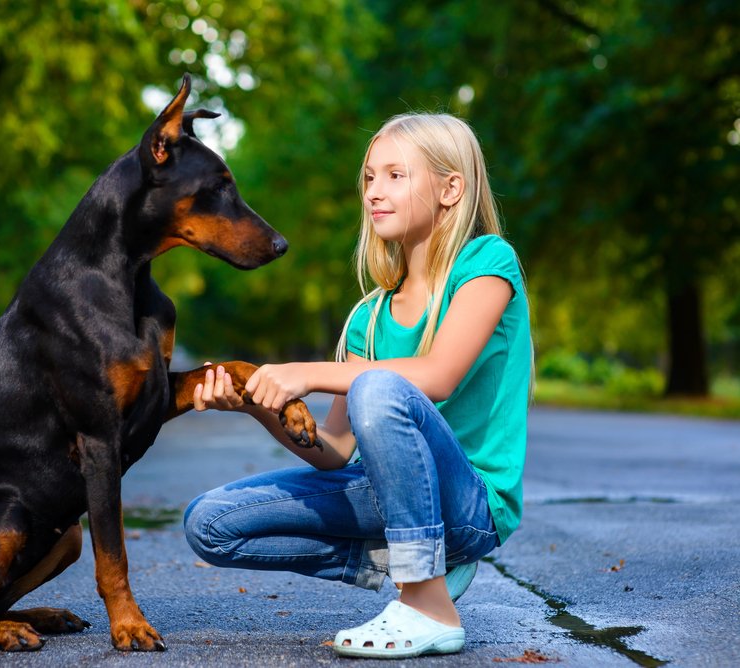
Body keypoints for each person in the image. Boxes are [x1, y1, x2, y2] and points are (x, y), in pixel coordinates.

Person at [183, 111, 532, 659]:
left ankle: (428, 606)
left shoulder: (488, 263)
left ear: (450, 188)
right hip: (390, 499)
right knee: (211, 524)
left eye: (396, 175)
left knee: (379, 387)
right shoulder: (370, 316)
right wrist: (256, 402)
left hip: (470, 505)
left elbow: (437, 376)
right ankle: (416, 564)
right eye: (369, 177)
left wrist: (308, 373)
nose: (374, 191)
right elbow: (337, 450)